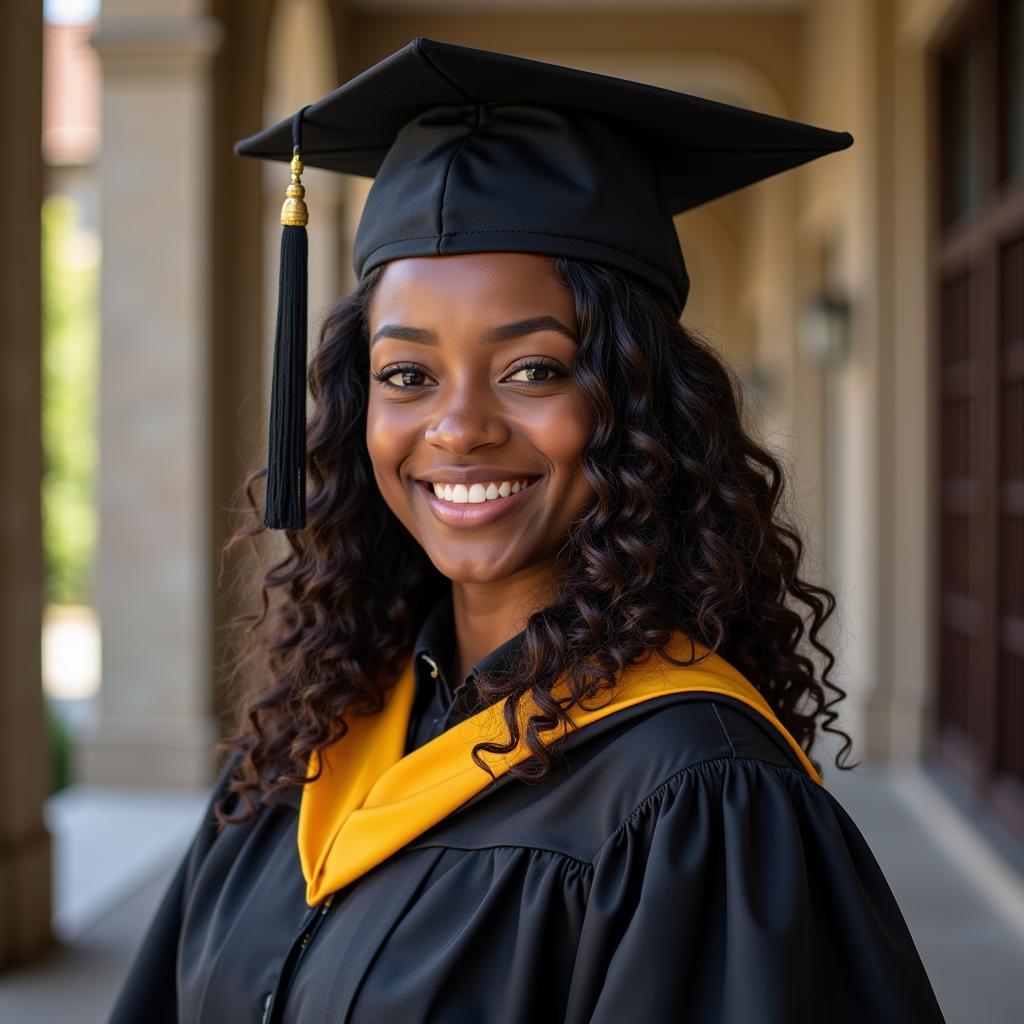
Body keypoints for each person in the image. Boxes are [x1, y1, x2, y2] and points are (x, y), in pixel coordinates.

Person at [108, 38, 946, 1024]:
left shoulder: (693, 801)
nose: (457, 427)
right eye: (407, 375)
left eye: (534, 369)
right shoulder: (313, 739)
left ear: (640, 408)